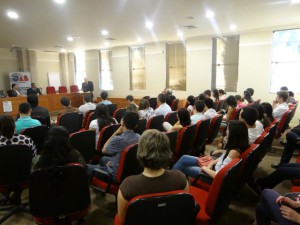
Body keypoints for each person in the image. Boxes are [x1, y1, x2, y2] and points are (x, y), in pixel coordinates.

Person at [117, 129, 189, 224]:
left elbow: (122, 221)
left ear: (140, 150)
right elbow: (183, 211)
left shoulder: (128, 185)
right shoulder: (180, 177)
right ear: (167, 151)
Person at [173, 120, 249, 179]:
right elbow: (222, 157)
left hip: (211, 175)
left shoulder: (234, 152)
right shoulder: (237, 146)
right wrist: (211, 163)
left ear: (234, 134)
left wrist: (204, 168)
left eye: (228, 130)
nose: (226, 131)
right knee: (184, 158)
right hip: (212, 167)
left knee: (184, 167)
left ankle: (170, 181)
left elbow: (219, 176)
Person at [87, 112, 140, 179]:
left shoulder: (119, 139)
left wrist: (116, 133)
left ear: (123, 123)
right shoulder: (139, 137)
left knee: (86, 167)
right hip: (127, 169)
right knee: (103, 159)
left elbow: (103, 150)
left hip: (114, 174)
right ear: (136, 125)